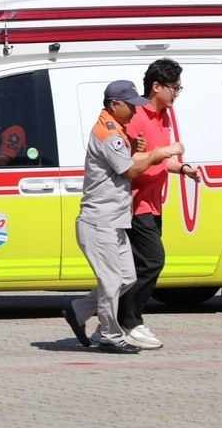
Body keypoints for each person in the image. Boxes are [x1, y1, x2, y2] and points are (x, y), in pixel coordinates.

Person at [63, 80, 185, 354]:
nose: (134, 111)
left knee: (127, 277)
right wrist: (158, 154)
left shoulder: (117, 130)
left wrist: (135, 147)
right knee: (110, 281)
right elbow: (129, 171)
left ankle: (78, 310)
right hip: (99, 220)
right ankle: (109, 335)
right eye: (130, 106)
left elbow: (125, 158)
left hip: (115, 220)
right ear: (114, 104)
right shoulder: (109, 134)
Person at [116, 59, 203, 350]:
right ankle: (128, 322)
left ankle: (122, 320)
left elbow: (162, 159)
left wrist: (183, 168)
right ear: (157, 86)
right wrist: (162, 152)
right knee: (152, 261)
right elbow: (128, 163)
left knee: (141, 265)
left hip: (154, 205)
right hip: (134, 203)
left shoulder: (164, 115)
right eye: (174, 87)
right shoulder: (137, 115)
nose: (178, 93)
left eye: (179, 87)